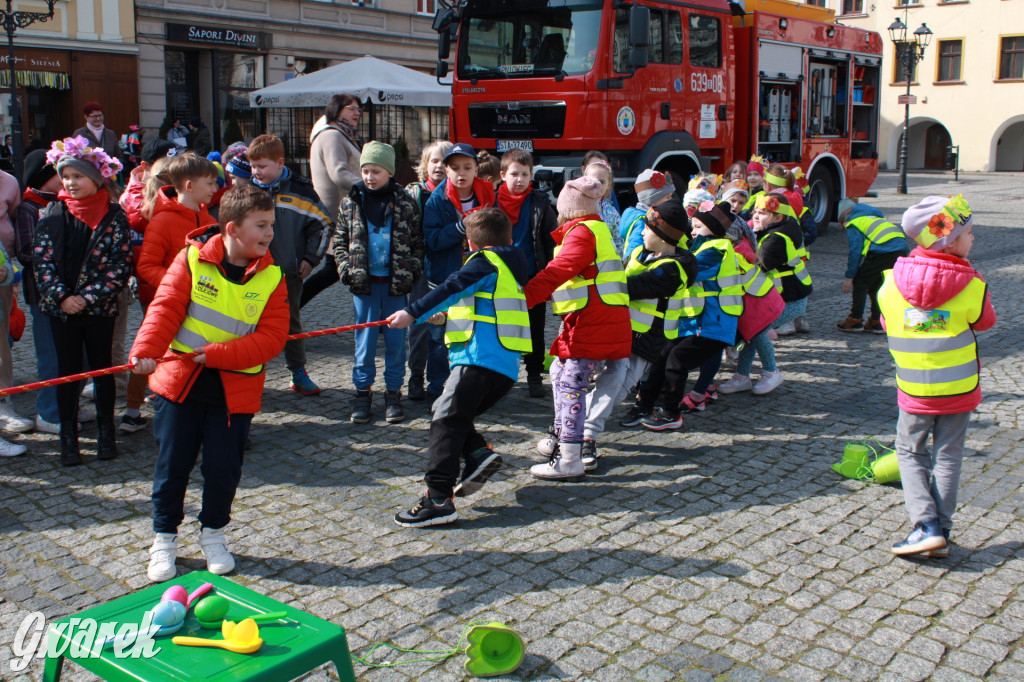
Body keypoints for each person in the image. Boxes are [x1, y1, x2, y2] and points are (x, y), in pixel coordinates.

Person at [130, 184, 289, 581]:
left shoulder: (272, 277)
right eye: (262, 225)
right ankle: (164, 538)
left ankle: (214, 534)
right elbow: (164, 307)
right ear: (232, 229)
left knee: (222, 470)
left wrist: (217, 354)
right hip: (179, 384)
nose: (270, 233)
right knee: (173, 467)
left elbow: (271, 339)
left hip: (233, 393)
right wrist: (145, 351)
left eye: (272, 225)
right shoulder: (191, 259)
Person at [388, 208, 530, 527]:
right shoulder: (511, 267)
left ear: (469, 242)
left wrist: (412, 312)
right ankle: (479, 454)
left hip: (479, 360)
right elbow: (482, 309)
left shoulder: (484, 263)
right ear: (509, 237)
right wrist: (441, 317)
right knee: (447, 409)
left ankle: (438, 499)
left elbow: (449, 288)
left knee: (445, 419)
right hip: (503, 367)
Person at [878, 195, 995, 557]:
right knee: (948, 456)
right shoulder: (972, 284)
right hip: (959, 389)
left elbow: (887, 322)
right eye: (969, 233)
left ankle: (925, 526)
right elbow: (985, 322)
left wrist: (921, 322)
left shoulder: (890, 283)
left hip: (914, 389)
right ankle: (940, 527)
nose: (974, 239)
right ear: (947, 239)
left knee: (910, 452)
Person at [523, 176, 630, 480]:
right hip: (596, 320)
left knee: (571, 385)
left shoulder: (581, 233)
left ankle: (570, 457)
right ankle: (561, 438)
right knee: (559, 373)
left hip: (593, 322)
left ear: (568, 209)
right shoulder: (594, 229)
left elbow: (558, 271)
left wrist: (523, 299)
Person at [33, 136, 131, 465]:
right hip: (61, 312)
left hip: (99, 309)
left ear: (95, 178)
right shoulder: (50, 214)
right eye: (67, 177)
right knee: (67, 373)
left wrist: (86, 297)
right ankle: (68, 438)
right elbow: (41, 263)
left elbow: (120, 265)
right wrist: (62, 297)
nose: (71, 183)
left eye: (78, 176)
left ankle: (107, 433)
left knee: (102, 370)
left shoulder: (114, 216)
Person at [577, 199, 695, 467]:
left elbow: (630, 286)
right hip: (620, 332)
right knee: (610, 385)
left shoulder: (671, 269)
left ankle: (570, 423)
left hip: (645, 340)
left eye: (647, 229)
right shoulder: (642, 254)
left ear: (664, 236)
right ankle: (583, 434)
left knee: (617, 391)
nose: (641, 233)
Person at [334, 141, 423, 424]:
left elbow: (417, 242)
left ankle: (393, 393)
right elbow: (339, 241)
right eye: (366, 171)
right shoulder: (351, 202)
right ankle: (362, 393)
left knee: (397, 343)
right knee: (365, 343)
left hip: (396, 287)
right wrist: (346, 268)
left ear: (389, 172)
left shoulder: (405, 203)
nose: (370, 177)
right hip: (365, 286)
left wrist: (412, 270)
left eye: (377, 171)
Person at [637, 202, 744, 430]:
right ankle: (644, 404)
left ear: (713, 230)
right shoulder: (701, 248)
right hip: (698, 322)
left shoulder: (716, 250)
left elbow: (688, 270)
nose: (692, 231)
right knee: (664, 355)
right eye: (692, 226)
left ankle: (670, 413)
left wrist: (654, 267)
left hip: (714, 323)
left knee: (677, 361)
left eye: (697, 226)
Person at [248, 134, 333, 396]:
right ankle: (248, 373)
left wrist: (310, 259)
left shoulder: (301, 191)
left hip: (288, 273)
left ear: (280, 162)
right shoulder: (246, 190)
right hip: (249, 275)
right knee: (248, 324)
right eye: (253, 166)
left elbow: (323, 225)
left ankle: (298, 372)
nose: (256, 172)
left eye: (262, 166)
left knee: (290, 323)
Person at [421, 142, 496, 403]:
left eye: (467, 167)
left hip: (478, 278)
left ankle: (471, 387)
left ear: (477, 169)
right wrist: (461, 226)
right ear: (446, 170)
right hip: (445, 278)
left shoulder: (487, 194)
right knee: (440, 338)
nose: (461, 173)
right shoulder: (437, 200)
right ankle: (437, 389)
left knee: (476, 332)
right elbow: (432, 240)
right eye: (454, 168)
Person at [719, 193, 811, 395]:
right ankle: (742, 377)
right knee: (752, 333)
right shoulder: (772, 233)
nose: (757, 217)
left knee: (758, 331)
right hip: (782, 296)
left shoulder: (775, 239)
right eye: (756, 212)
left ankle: (771, 372)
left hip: (790, 298)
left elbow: (757, 266)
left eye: (764, 213)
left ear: (778, 218)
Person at [496, 148, 557, 397]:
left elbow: (550, 241)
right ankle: (500, 377)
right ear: (503, 175)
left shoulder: (540, 203)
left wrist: (549, 278)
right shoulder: (491, 200)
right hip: (499, 278)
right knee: (500, 328)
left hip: (532, 277)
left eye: (524, 174)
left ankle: (534, 376)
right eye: (514, 174)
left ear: (531, 175)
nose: (519, 179)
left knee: (534, 330)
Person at [17, 151, 69, 435]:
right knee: (50, 354)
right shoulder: (28, 207)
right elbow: (26, 252)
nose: (65, 179)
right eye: (59, 173)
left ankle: (67, 406)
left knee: (73, 353)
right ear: (44, 177)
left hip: (69, 291)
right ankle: (48, 413)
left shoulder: (64, 202)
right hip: (42, 292)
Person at [303, 94, 362, 307]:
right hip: (337, 214)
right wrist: (372, 186)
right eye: (351, 108)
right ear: (336, 110)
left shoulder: (342, 134)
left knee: (337, 268)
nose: (356, 112)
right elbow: (339, 173)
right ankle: (289, 307)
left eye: (358, 109)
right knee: (337, 269)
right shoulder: (332, 136)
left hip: (343, 212)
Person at [404, 139, 452, 401]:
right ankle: (415, 377)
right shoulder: (416, 194)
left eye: (445, 162)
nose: (439, 166)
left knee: (444, 326)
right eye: (434, 160)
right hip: (420, 269)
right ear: (425, 165)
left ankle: (443, 380)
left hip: (446, 267)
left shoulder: (453, 195)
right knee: (419, 326)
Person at [836, 197, 909, 334]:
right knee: (877, 286)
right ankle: (877, 322)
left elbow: (855, 251)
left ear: (844, 217)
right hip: (901, 250)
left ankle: (855, 320)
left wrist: (849, 276)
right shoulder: (875, 218)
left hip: (882, 252)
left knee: (860, 283)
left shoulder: (854, 222)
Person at [0, 167, 31, 442]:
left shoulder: (8, 182)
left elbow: (12, 227)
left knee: (2, 341)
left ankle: (4, 403)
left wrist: (10, 272)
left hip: (1, 274)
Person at [619, 169, 677, 258]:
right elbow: (634, 252)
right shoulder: (643, 221)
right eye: (668, 197)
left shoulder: (651, 216)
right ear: (652, 200)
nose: (671, 201)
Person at [584, 159, 621, 253]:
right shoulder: (577, 207)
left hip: (604, 263)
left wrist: (620, 262)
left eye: (602, 182)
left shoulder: (612, 212)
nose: (596, 184)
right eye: (591, 180)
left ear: (608, 185)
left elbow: (618, 241)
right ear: (584, 181)